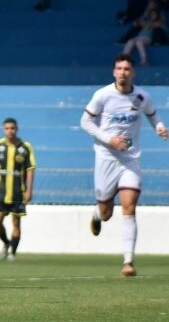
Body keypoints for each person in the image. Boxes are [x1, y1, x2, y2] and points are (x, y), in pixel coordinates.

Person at [80, 53, 167, 277]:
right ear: (113, 72)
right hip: (106, 158)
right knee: (107, 212)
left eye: (127, 69)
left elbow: (153, 116)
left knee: (129, 208)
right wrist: (109, 140)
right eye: (119, 69)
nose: (122, 73)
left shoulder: (142, 97)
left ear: (133, 73)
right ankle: (98, 214)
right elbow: (85, 121)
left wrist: (159, 127)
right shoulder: (103, 95)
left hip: (130, 159)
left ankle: (128, 262)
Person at [0, 118, 36, 262]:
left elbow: (30, 169)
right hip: (0, 192)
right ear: (3, 130)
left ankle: (13, 252)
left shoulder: (25, 147)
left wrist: (29, 190)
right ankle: (6, 243)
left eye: (12, 128)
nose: (10, 131)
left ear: (17, 129)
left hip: (18, 192)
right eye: (7, 128)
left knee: (16, 223)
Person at [122, 0, 165, 66]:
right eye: (151, 15)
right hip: (139, 37)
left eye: (154, 14)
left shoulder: (159, 23)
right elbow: (138, 22)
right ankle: (124, 59)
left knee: (139, 42)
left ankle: (144, 59)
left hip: (148, 38)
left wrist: (150, 24)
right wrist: (144, 23)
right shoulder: (146, 21)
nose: (153, 16)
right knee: (130, 41)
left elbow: (159, 25)